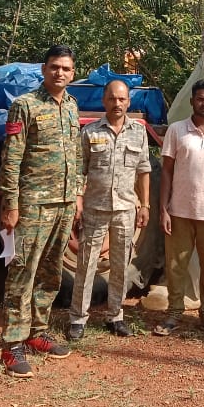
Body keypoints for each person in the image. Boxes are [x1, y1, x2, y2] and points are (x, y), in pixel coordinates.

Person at [0, 45, 83, 378]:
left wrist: (76, 195)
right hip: (32, 204)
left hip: (63, 204)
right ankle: (12, 344)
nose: (59, 73)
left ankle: (37, 332)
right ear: (43, 70)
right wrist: (11, 204)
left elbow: (76, 155)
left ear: (72, 73)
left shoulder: (72, 107)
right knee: (23, 271)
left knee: (50, 272)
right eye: (54, 67)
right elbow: (11, 159)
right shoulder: (25, 106)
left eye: (65, 68)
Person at [68, 79, 152, 340]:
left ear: (129, 102)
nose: (117, 103)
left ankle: (115, 316)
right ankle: (78, 319)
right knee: (86, 264)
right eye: (112, 99)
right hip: (95, 209)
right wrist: (78, 200)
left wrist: (145, 205)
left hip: (126, 210)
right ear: (104, 101)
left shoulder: (138, 132)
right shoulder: (91, 132)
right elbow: (79, 171)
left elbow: (144, 170)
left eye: (122, 99)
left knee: (120, 266)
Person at [153, 79, 204, 338]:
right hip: (180, 211)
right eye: (201, 99)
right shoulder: (177, 131)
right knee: (176, 265)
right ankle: (174, 312)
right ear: (192, 101)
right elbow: (166, 171)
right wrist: (163, 208)